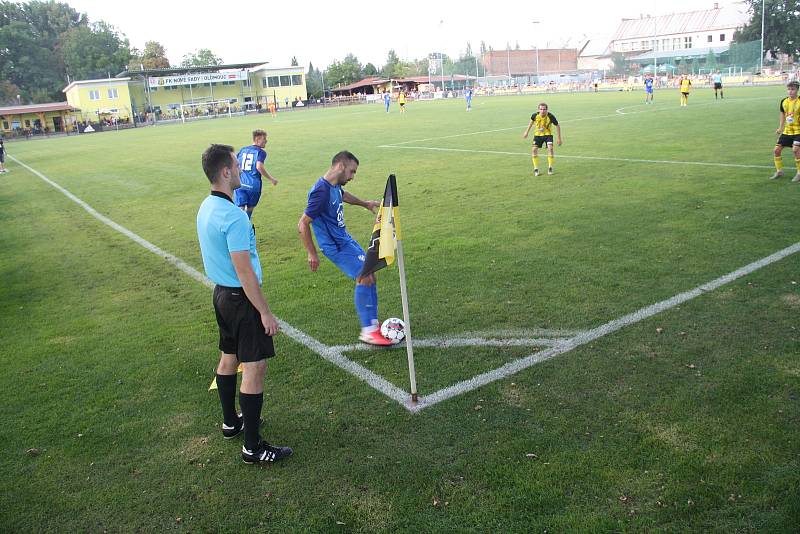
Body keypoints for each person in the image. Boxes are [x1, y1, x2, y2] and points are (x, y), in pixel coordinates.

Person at [196, 143, 292, 464]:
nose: (241, 170)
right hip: (241, 299)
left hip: (221, 295)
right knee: (254, 366)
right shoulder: (234, 217)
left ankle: (230, 422)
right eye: (237, 166)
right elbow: (245, 271)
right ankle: (252, 446)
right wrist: (264, 312)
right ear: (226, 172)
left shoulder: (206, 207)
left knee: (228, 357)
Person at [297, 151, 393, 346]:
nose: (352, 177)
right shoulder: (320, 191)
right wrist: (312, 253)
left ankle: (373, 324)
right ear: (340, 166)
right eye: (352, 172)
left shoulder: (334, 186)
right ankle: (368, 331)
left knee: (370, 272)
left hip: (345, 240)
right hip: (335, 246)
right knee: (364, 276)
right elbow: (303, 224)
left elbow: (343, 195)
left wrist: (364, 203)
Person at [233, 129, 278, 219]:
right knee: (249, 208)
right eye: (264, 139)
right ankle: (246, 227)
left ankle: (238, 226)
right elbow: (259, 166)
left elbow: (235, 162)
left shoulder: (243, 149)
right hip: (253, 186)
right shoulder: (261, 152)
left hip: (240, 184)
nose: (266, 141)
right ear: (257, 139)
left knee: (240, 208)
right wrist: (271, 179)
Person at [770, 80, 800, 182]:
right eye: (789, 89)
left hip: (798, 131)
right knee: (776, 150)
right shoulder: (784, 101)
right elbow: (782, 114)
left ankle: (799, 173)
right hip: (787, 131)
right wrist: (780, 128)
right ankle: (779, 171)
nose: (790, 91)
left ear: (797, 90)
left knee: (795, 150)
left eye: (793, 89)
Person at [522, 102, 562, 177]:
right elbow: (530, 123)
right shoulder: (534, 116)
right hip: (537, 135)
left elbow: (557, 126)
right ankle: (536, 168)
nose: (542, 111)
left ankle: (550, 167)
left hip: (548, 135)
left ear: (547, 110)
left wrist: (559, 138)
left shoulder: (550, 116)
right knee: (534, 150)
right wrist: (526, 132)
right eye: (541, 109)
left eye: (544, 109)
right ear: (538, 109)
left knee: (550, 148)